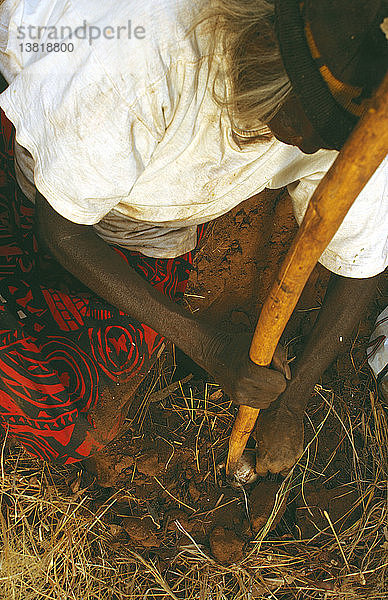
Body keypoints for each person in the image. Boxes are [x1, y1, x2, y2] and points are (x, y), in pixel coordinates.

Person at [0, 0, 386, 472]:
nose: (313, 144)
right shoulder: (142, 60)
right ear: (270, 59)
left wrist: (292, 402)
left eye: (332, 137)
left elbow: (363, 260)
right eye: (311, 124)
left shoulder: (354, 116)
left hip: (134, 228)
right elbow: (59, 230)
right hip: (36, 170)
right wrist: (210, 348)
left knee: (84, 394)